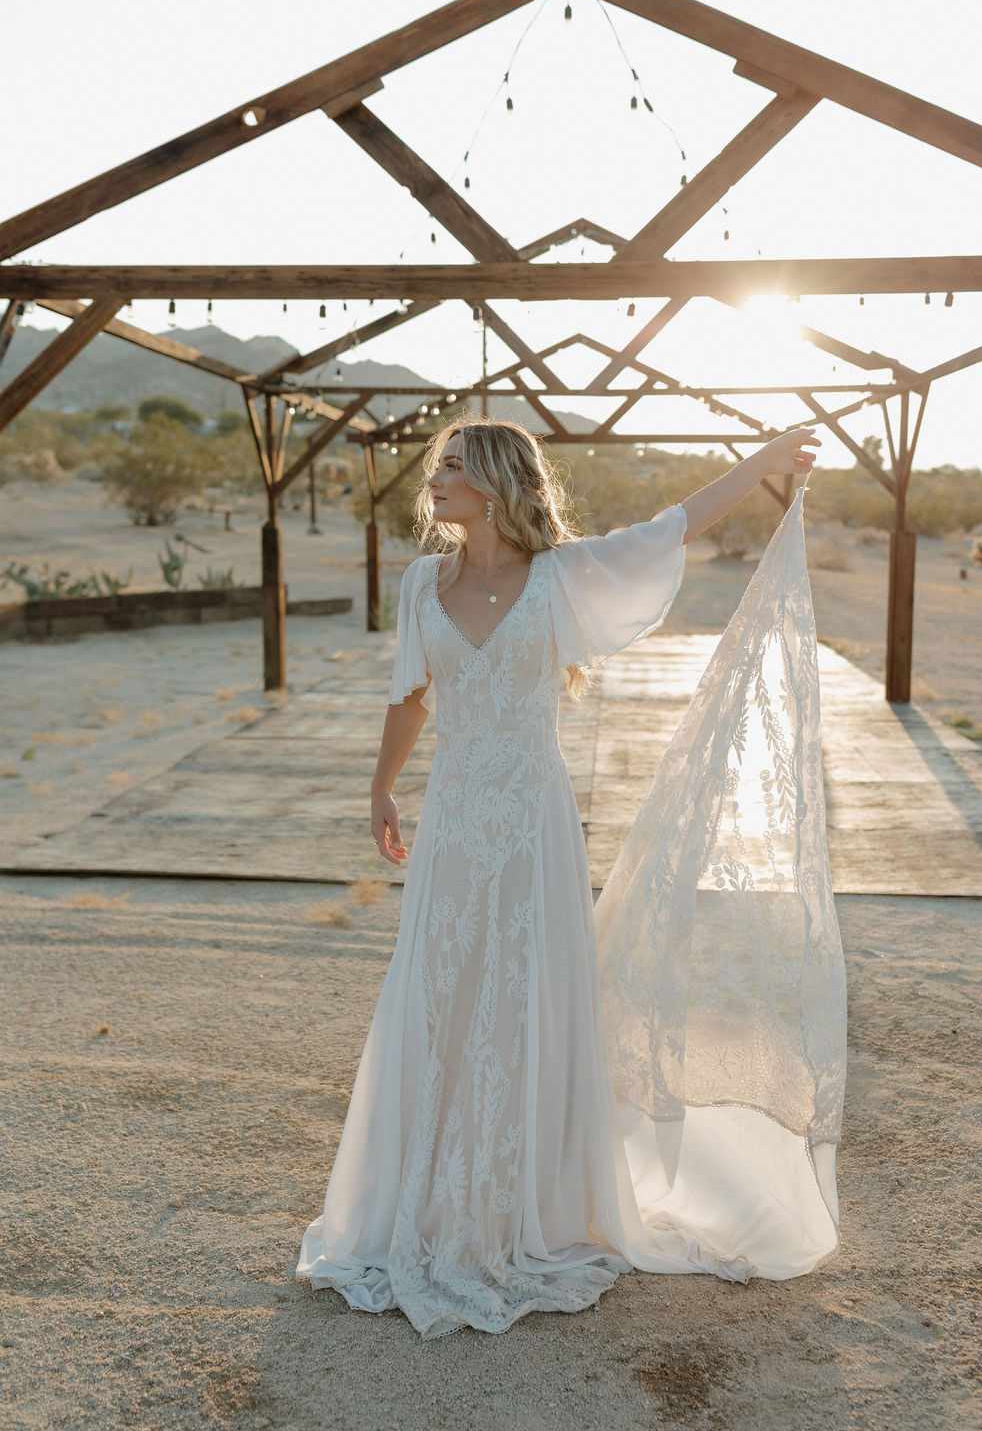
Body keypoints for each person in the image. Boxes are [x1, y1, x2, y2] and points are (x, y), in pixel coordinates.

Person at [297, 418, 837, 1340]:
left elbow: (672, 526)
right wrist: (382, 787)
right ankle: (426, 1204)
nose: (436, 481)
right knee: (440, 997)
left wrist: (760, 464)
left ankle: (527, 1207)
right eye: (437, 467)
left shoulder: (563, 576)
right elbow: (411, 693)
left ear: (500, 482)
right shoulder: (421, 581)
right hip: (456, 823)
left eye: (454, 467)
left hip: (534, 824)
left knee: (525, 1000)